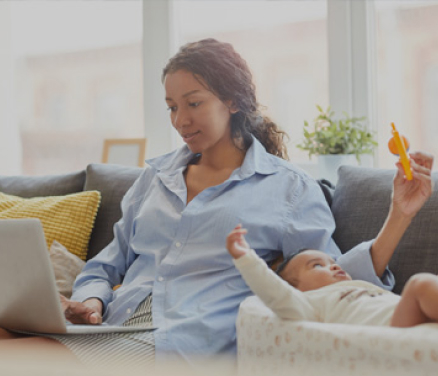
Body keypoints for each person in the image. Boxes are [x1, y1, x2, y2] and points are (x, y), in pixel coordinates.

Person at [0, 38, 433, 366]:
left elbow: (332, 280)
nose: (180, 120)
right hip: (112, 325)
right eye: (171, 107)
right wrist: (91, 302)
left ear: (232, 101)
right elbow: (105, 265)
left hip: (188, 343)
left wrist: (398, 216)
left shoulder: (288, 188)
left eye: (193, 103)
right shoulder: (156, 177)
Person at [226, 228, 438, 327]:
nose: (335, 267)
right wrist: (246, 259)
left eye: (333, 263)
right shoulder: (310, 303)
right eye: (318, 265)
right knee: (420, 285)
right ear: (296, 289)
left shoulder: (357, 286)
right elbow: (275, 293)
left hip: (417, 319)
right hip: (394, 330)